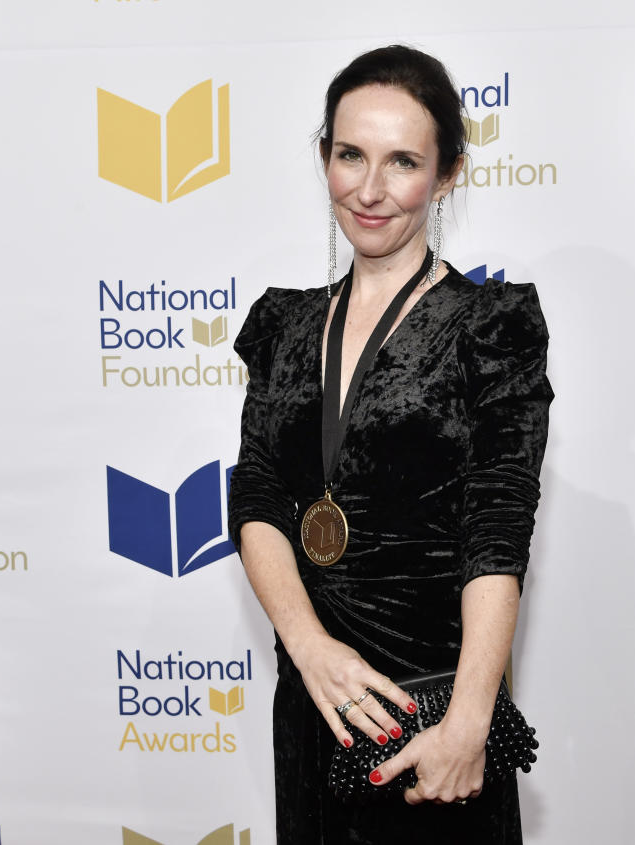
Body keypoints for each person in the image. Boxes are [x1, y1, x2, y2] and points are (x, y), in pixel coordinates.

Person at [228, 44, 552, 845]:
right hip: (316, 703)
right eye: (350, 156)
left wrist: (471, 721)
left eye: (402, 161)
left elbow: (497, 529)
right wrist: (309, 649)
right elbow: (260, 493)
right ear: (324, 158)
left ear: (446, 176)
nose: (369, 190)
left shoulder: (490, 327)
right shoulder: (286, 327)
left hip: (433, 717)